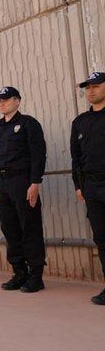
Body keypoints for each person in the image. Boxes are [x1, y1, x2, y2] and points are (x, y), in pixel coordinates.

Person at [0, 87, 47, 293]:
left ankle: (36, 276)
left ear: (17, 101)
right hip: (2, 185)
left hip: (23, 182)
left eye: (5, 99)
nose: (1, 103)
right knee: (10, 229)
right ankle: (19, 272)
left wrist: (35, 182)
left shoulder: (29, 124)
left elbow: (38, 154)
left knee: (29, 227)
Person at [72, 72, 105, 305]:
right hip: (92, 187)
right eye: (87, 88)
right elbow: (77, 158)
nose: (90, 91)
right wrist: (79, 185)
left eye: (95, 86)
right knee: (102, 238)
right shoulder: (80, 122)